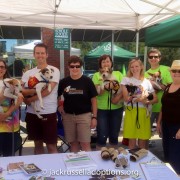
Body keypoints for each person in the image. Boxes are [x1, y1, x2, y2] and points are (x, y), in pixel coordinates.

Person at [21, 43, 60, 154]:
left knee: (51, 146)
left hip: (48, 112)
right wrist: (25, 98)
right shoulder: (28, 73)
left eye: (42, 53)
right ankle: (39, 171)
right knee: (37, 145)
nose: (40, 55)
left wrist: (30, 98)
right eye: (37, 53)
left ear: (47, 55)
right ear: (34, 55)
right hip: (32, 113)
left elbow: (48, 90)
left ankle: (54, 170)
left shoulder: (53, 70)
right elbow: (21, 91)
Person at [58, 55, 97, 152]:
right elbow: (57, 96)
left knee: (85, 143)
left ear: (80, 67)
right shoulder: (63, 82)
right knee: (73, 143)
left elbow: (94, 100)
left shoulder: (87, 81)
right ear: (68, 67)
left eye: (77, 66)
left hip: (84, 116)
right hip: (68, 116)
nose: (75, 68)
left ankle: (89, 167)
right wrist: (59, 105)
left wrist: (94, 117)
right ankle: (75, 165)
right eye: (72, 66)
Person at [121, 58, 157, 149]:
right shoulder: (126, 80)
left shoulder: (147, 81)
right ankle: (132, 160)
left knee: (142, 139)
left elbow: (155, 99)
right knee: (131, 140)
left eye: (136, 66)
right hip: (131, 111)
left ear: (141, 67)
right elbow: (126, 99)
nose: (134, 68)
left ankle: (142, 159)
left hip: (143, 112)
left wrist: (145, 100)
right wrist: (140, 96)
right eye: (132, 67)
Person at [92, 54, 124, 149]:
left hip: (117, 107)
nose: (106, 63)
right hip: (101, 108)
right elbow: (97, 92)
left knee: (114, 135)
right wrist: (105, 86)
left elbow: (123, 89)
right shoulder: (96, 75)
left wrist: (116, 98)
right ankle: (100, 155)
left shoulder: (118, 74)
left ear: (111, 63)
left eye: (108, 61)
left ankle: (113, 156)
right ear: (100, 64)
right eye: (103, 62)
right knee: (102, 135)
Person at [157, 60, 180, 175]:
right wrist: (159, 122)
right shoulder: (168, 87)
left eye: (179, 71)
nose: (176, 73)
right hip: (166, 124)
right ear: (170, 72)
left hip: (177, 126)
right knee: (167, 152)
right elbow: (163, 106)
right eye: (174, 71)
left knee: (176, 155)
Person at [0, 59, 23, 156]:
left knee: (9, 156)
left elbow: (20, 99)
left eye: (2, 67)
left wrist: (6, 114)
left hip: (10, 126)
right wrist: (3, 95)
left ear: (5, 69)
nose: (0, 69)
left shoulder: (12, 82)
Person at [145, 49, 172, 130]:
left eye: (155, 56)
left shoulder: (167, 69)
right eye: (151, 57)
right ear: (148, 59)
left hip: (165, 107)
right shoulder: (145, 73)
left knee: (165, 134)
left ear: (159, 58)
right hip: (150, 106)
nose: (153, 58)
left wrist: (155, 85)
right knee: (146, 133)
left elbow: (170, 87)